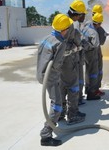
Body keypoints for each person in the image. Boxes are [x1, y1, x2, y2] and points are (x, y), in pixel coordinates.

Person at [36, 13, 73, 146]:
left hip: (41, 74)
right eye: (68, 28)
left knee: (55, 100)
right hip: (50, 77)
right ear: (64, 30)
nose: (69, 30)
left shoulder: (47, 38)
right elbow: (56, 64)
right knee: (56, 105)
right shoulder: (60, 43)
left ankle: (53, 124)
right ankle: (46, 135)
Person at [59, 0, 87, 125]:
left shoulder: (61, 20)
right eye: (81, 15)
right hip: (69, 62)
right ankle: (72, 115)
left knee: (61, 88)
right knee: (73, 88)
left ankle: (59, 114)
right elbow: (78, 42)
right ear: (78, 14)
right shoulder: (72, 25)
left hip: (59, 62)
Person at [81, 12, 103, 100]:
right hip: (92, 53)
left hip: (85, 53)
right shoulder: (94, 33)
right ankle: (92, 93)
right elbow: (96, 45)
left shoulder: (86, 26)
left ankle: (87, 89)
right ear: (99, 23)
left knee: (87, 71)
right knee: (94, 73)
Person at [92, 4, 108, 96]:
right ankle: (95, 89)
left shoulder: (87, 24)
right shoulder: (100, 29)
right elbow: (101, 42)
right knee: (97, 70)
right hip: (96, 51)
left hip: (88, 52)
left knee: (90, 71)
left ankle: (89, 89)